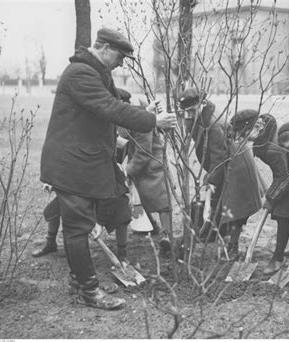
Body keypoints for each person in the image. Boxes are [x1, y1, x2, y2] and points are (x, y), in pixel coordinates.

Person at [40, 28, 176, 310]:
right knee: (78, 228)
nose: (121, 63)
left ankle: (79, 282)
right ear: (103, 48)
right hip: (72, 165)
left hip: (82, 162)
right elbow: (109, 107)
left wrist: (145, 110)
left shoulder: (94, 72)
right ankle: (89, 291)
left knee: (81, 225)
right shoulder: (81, 73)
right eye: (119, 56)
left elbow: (112, 108)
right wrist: (152, 120)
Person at [178, 88, 262, 261]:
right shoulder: (201, 115)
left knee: (234, 208)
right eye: (187, 111)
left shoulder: (214, 124)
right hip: (227, 163)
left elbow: (219, 156)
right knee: (221, 205)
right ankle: (212, 234)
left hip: (235, 167)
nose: (190, 114)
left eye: (193, 110)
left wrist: (212, 180)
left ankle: (233, 248)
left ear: (202, 103)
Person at [232, 112, 289, 274]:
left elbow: (283, 177)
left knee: (283, 215)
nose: (244, 138)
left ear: (257, 128)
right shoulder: (265, 138)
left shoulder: (270, 149)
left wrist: (271, 198)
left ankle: (277, 259)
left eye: (245, 134)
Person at [116, 89, 173, 253]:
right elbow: (123, 137)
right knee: (142, 199)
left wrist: (128, 170)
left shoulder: (142, 123)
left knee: (162, 203)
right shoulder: (130, 119)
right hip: (143, 165)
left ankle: (167, 235)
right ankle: (153, 226)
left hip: (152, 166)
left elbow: (144, 152)